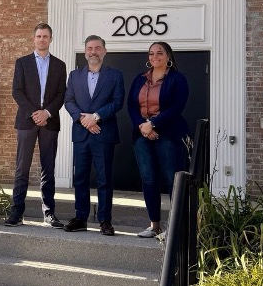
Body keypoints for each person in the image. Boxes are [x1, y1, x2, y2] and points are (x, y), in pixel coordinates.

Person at [6, 23, 67, 227]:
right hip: (27, 121)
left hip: (50, 122)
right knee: (22, 168)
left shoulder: (59, 65)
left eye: (45, 36)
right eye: (39, 36)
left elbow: (61, 94)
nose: (42, 39)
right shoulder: (22, 63)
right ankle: (17, 212)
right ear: (34, 39)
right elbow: (17, 91)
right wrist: (35, 113)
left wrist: (47, 113)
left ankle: (49, 213)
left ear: (51, 39)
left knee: (48, 168)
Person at [126, 41, 190, 238]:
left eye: (159, 53)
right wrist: (143, 126)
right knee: (149, 179)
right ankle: (154, 226)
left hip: (168, 133)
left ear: (168, 56)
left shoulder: (177, 79)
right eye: (151, 53)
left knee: (172, 179)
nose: (155, 56)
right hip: (142, 134)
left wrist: (153, 124)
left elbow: (177, 108)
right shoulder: (140, 79)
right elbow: (131, 106)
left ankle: (176, 228)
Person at [63, 35, 124, 236]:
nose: (93, 52)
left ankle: (105, 220)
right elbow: (69, 101)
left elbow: (117, 102)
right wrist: (83, 119)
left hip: (103, 134)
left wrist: (96, 117)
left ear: (104, 51)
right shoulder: (74, 75)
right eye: (89, 48)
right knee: (80, 178)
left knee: (104, 178)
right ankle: (80, 218)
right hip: (82, 133)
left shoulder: (115, 75)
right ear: (85, 52)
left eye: (97, 48)